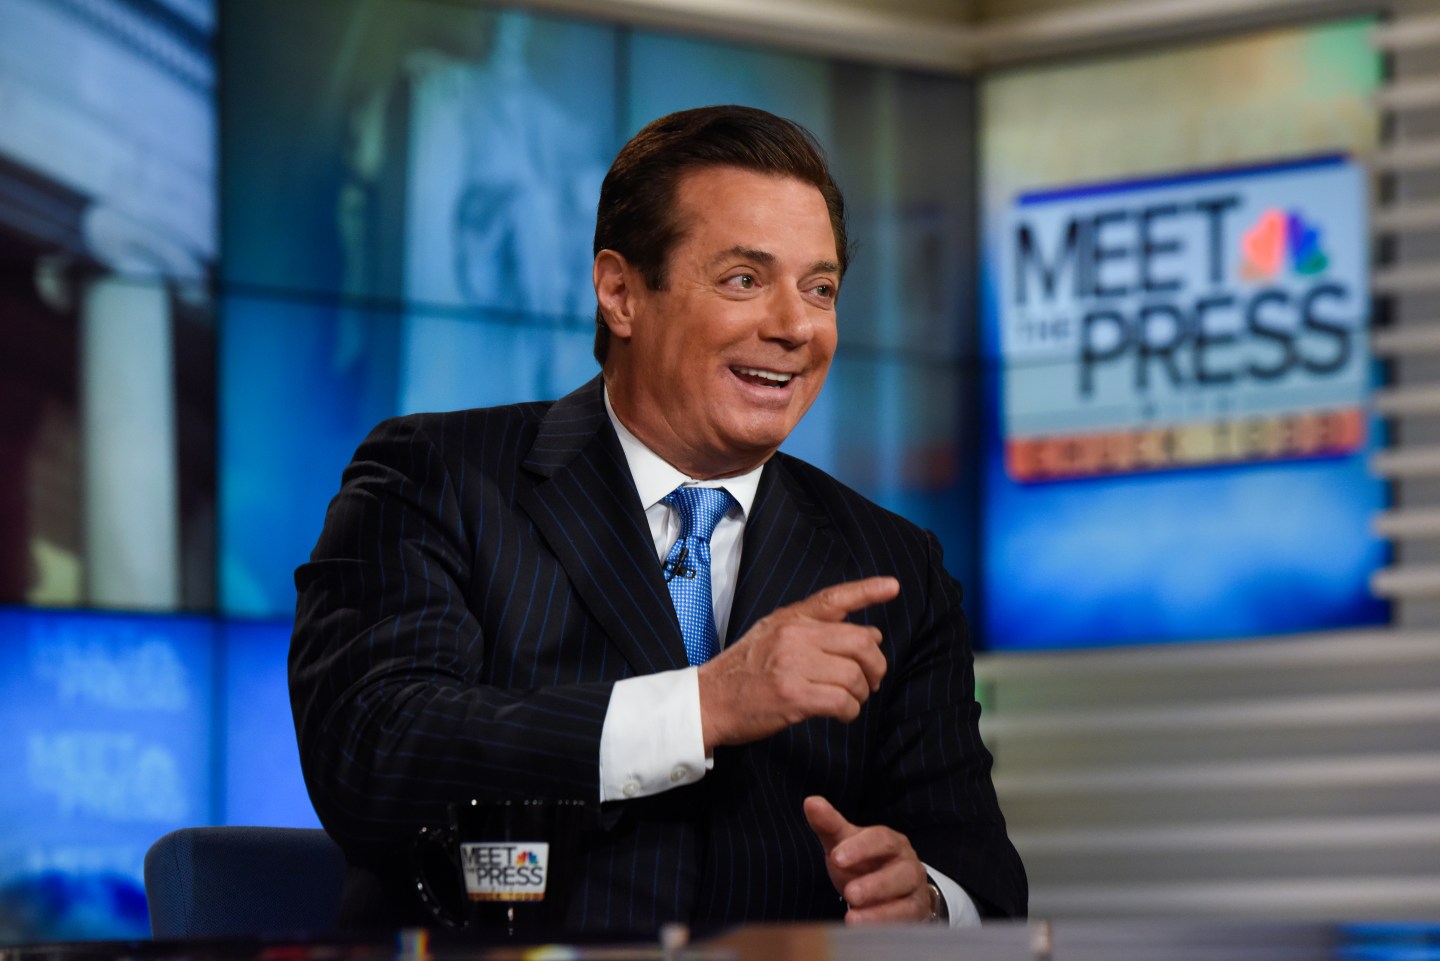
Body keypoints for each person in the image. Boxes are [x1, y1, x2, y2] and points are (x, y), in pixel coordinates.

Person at [290, 104, 1027, 933]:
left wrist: (924, 899)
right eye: (744, 279)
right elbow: (374, 749)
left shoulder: (894, 565)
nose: (794, 327)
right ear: (620, 293)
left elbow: (985, 883)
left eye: (819, 289)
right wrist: (703, 705)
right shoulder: (437, 477)